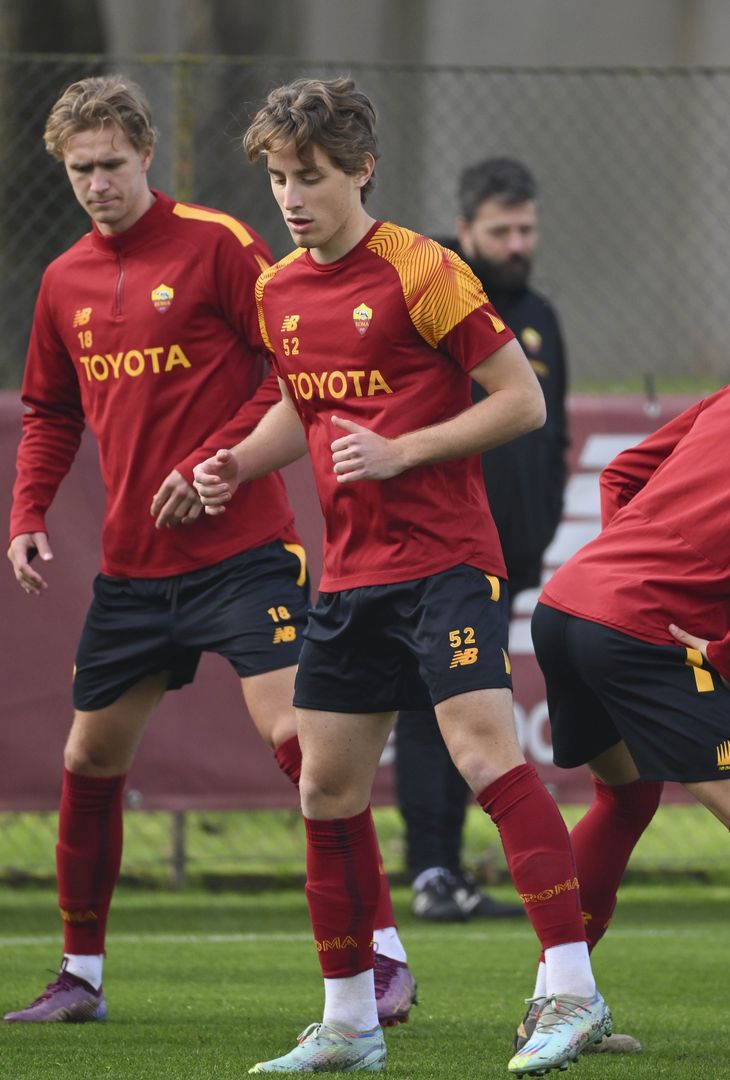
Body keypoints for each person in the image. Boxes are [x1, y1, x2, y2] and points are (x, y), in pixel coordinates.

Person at [193, 76, 611, 1076]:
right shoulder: (278, 287)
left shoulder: (424, 270)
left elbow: (519, 403)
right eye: (280, 180)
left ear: (362, 169)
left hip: (448, 564)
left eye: (312, 178)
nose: (291, 198)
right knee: (326, 789)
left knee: (483, 758)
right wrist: (239, 461)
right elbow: (304, 403)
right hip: (352, 576)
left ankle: (571, 991)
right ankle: (349, 1023)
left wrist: (404, 449)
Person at [4, 74, 413, 1028]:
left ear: (147, 153)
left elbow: (293, 367)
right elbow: (53, 411)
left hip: (244, 554)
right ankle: (80, 976)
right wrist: (27, 511)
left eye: (111, 163)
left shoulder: (221, 245)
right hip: (133, 571)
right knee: (90, 759)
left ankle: (384, 955)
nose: (97, 183)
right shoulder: (62, 280)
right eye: (78, 169)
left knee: (304, 750)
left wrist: (217, 460)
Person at [515, 386, 730, 1054]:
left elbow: (623, 472)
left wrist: (626, 567)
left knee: (627, 796)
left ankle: (554, 1004)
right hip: (638, 626)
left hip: (569, 603)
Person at [396, 157, 567, 924]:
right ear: (464, 230)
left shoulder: (540, 316)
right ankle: (431, 870)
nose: (517, 242)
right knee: (435, 713)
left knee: (467, 716)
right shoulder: (430, 296)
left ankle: (443, 872)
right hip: (434, 549)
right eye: (500, 230)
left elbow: (548, 432)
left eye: (526, 228)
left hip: (505, 560)